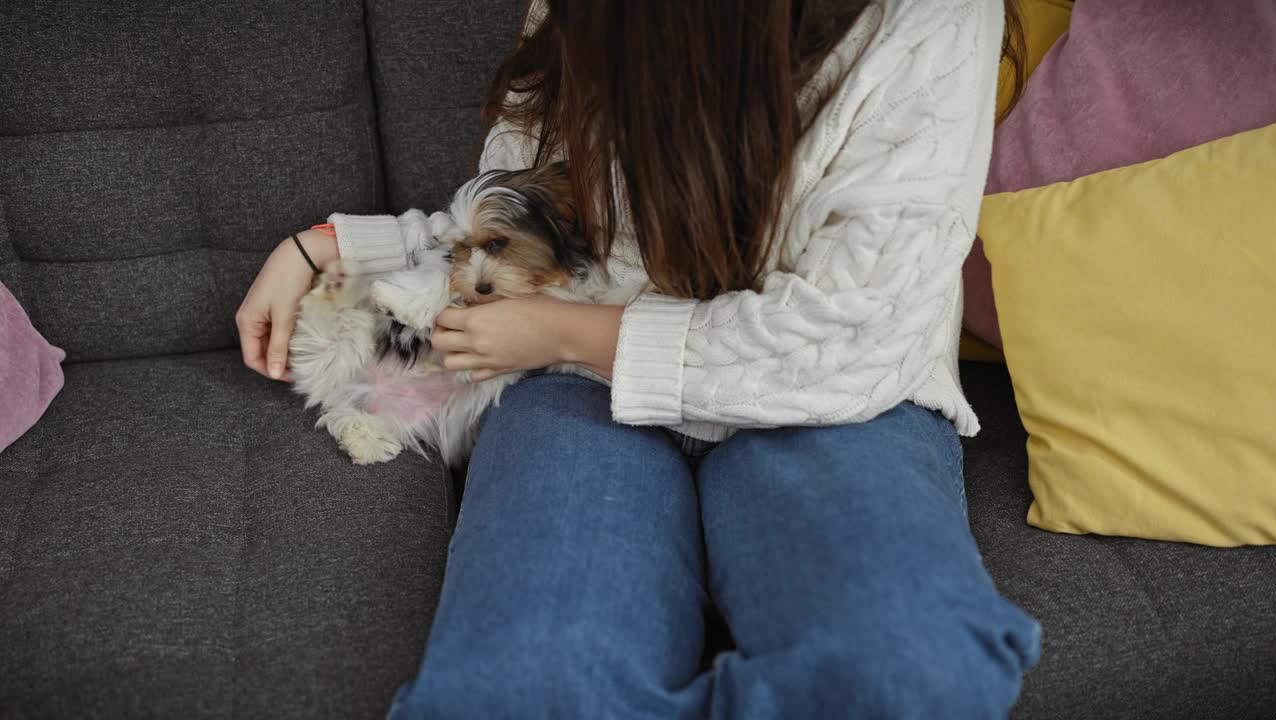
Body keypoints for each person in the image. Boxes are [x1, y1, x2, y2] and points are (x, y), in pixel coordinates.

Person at [237, 0, 1042, 717]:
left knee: (914, 674)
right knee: (522, 689)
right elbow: (500, 219)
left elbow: (852, 335)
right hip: (567, 385)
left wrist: (561, 332)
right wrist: (329, 243)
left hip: (833, 396)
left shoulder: (930, 20)